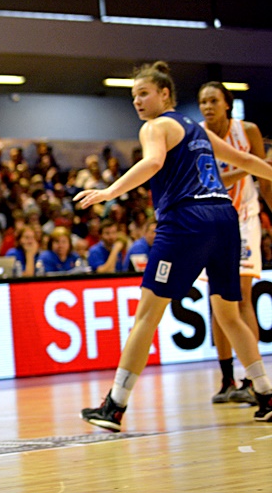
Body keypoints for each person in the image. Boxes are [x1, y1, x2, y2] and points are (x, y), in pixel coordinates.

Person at [76, 61, 272, 431]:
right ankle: (265, 392)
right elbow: (246, 160)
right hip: (224, 217)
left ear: (165, 94)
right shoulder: (196, 129)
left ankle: (114, 406)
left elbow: (152, 162)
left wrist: (109, 191)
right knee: (229, 315)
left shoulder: (155, 126)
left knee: (147, 315)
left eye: (144, 93)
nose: (137, 101)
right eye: (133, 96)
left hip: (187, 220)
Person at [198, 81, 272, 404]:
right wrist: (246, 167)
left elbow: (265, 179)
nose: (207, 107)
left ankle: (254, 380)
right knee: (216, 301)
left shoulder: (249, 131)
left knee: (241, 295)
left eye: (213, 100)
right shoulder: (195, 135)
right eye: (202, 102)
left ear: (227, 104)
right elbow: (211, 179)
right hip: (210, 219)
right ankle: (227, 379)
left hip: (243, 219)